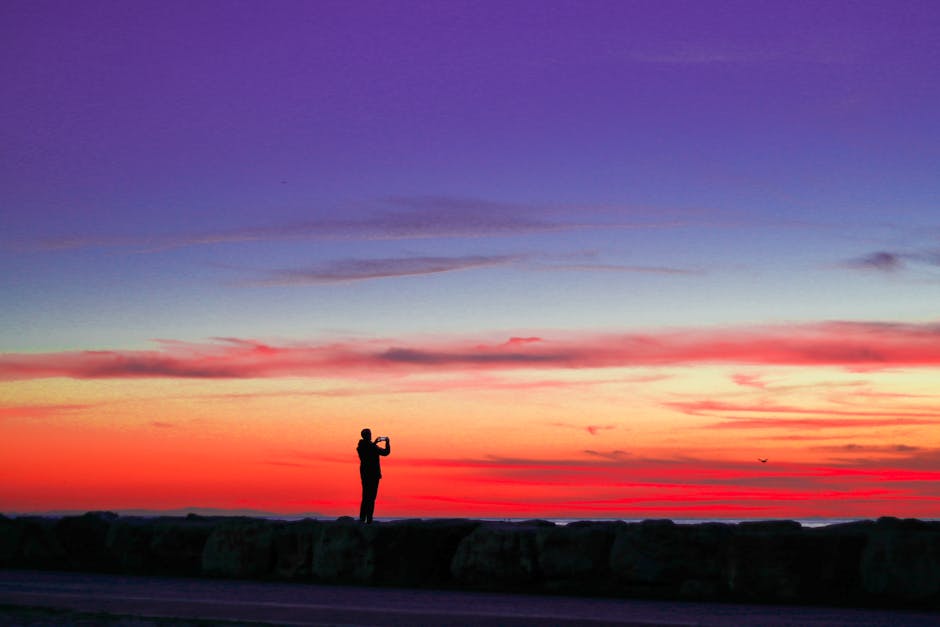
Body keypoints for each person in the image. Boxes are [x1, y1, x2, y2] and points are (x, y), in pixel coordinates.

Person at [357, 428, 390, 524]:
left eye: (370, 434)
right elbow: (383, 452)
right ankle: (366, 519)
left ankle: (366, 519)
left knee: (369, 497)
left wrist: (384, 443)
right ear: (365, 436)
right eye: (369, 434)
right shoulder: (364, 447)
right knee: (368, 497)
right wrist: (379, 443)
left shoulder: (370, 446)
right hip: (369, 475)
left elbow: (385, 452)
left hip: (371, 475)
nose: (370, 435)